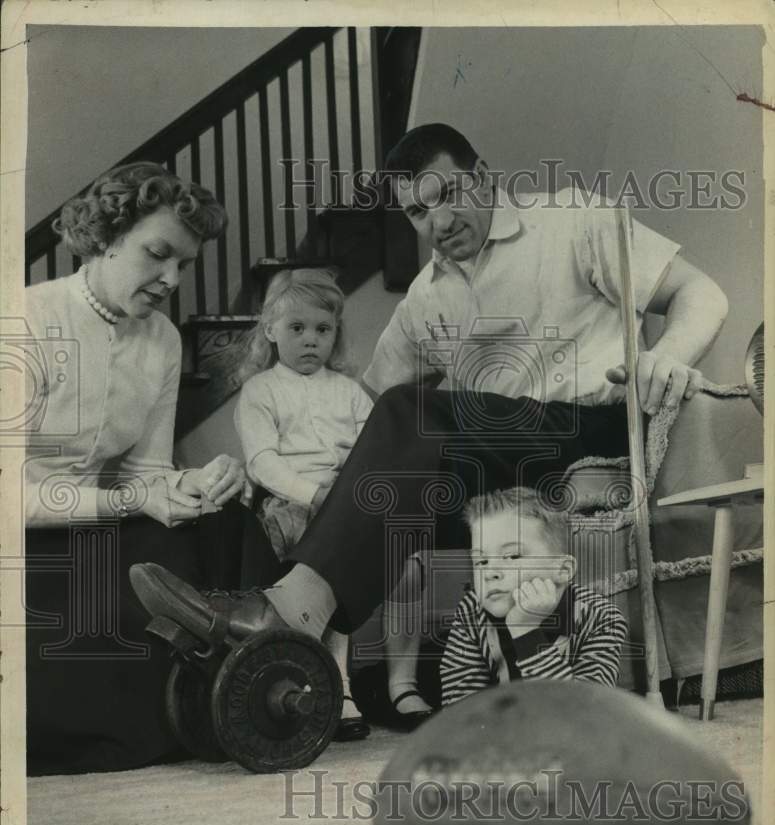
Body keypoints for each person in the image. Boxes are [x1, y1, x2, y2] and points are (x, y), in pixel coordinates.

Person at [129, 123, 729, 711]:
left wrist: (665, 359)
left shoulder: (574, 220)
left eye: (447, 195)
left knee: (409, 414)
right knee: (360, 478)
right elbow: (369, 412)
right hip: (490, 462)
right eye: (417, 212)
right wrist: (278, 470)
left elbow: (702, 293)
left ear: (484, 178)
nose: (437, 223)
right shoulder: (426, 295)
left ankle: (281, 617)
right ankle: (278, 660)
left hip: (582, 432)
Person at [25, 161, 245, 775]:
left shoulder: (165, 342)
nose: (172, 278)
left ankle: (237, 695)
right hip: (22, 541)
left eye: (184, 264)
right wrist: (129, 503)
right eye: (158, 254)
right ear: (105, 236)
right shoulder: (25, 320)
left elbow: (145, 472)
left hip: (95, 531)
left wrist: (189, 484)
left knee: (231, 522)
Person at [235, 268, 374, 738]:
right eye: (297, 328)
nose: (310, 340)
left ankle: (340, 683)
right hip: (288, 504)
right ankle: (304, 677)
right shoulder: (261, 391)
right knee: (317, 569)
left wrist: (346, 493)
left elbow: (372, 449)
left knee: (351, 570)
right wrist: (313, 495)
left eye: (323, 329)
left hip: (345, 501)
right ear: (270, 330)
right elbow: (262, 461)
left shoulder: (349, 392)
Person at [439, 487, 626, 707]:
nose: (490, 573)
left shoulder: (601, 618)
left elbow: (583, 715)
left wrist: (526, 631)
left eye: (511, 556)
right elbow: (460, 712)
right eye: (481, 562)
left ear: (563, 570)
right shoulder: (471, 611)